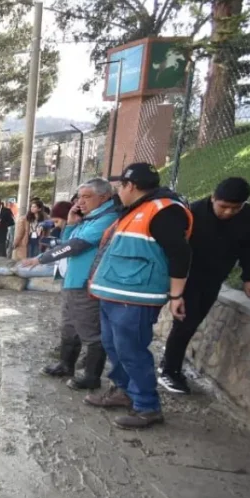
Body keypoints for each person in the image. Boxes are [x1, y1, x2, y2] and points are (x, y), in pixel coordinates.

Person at [85, 163, 193, 429]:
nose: (118, 192)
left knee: (131, 351)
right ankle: (124, 391)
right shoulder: (135, 209)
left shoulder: (164, 211)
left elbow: (180, 254)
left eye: (120, 186)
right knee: (113, 346)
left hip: (136, 298)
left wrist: (176, 296)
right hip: (115, 294)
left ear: (130, 186)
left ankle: (147, 406)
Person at [158, 177, 250, 394]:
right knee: (185, 323)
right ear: (213, 198)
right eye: (224, 206)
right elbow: (176, 248)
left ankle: (169, 360)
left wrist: (249, 278)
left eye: (235, 208)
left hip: (213, 279)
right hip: (187, 278)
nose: (229, 212)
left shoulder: (249, 218)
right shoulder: (192, 213)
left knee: (191, 323)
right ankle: (169, 371)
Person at [21, 179, 120, 391]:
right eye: (79, 197)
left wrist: (41, 259)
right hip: (72, 280)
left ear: (104, 197)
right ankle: (66, 364)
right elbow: (68, 241)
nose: (80, 202)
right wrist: (72, 224)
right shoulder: (89, 218)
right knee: (69, 325)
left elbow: (76, 246)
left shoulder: (108, 218)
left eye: (86, 197)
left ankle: (91, 376)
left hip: (85, 283)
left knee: (90, 331)